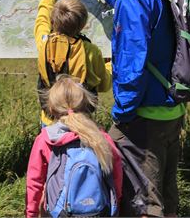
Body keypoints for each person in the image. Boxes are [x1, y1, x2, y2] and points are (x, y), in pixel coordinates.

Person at [62, 0, 183, 217]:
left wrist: (122, 115)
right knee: (166, 196)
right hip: (171, 111)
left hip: (143, 116)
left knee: (143, 202)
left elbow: (131, 63)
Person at [25, 76, 123, 217]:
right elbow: (116, 174)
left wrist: (31, 213)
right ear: (85, 105)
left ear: (51, 109)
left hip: (60, 211)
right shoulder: (101, 137)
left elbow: (34, 182)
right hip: (100, 210)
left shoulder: (46, 139)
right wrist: (116, 203)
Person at [34, 0, 112, 126]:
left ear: (53, 20)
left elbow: (41, 20)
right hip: (81, 123)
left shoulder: (45, 43)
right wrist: (109, 65)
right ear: (83, 24)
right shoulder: (90, 50)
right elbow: (104, 84)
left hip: (50, 120)